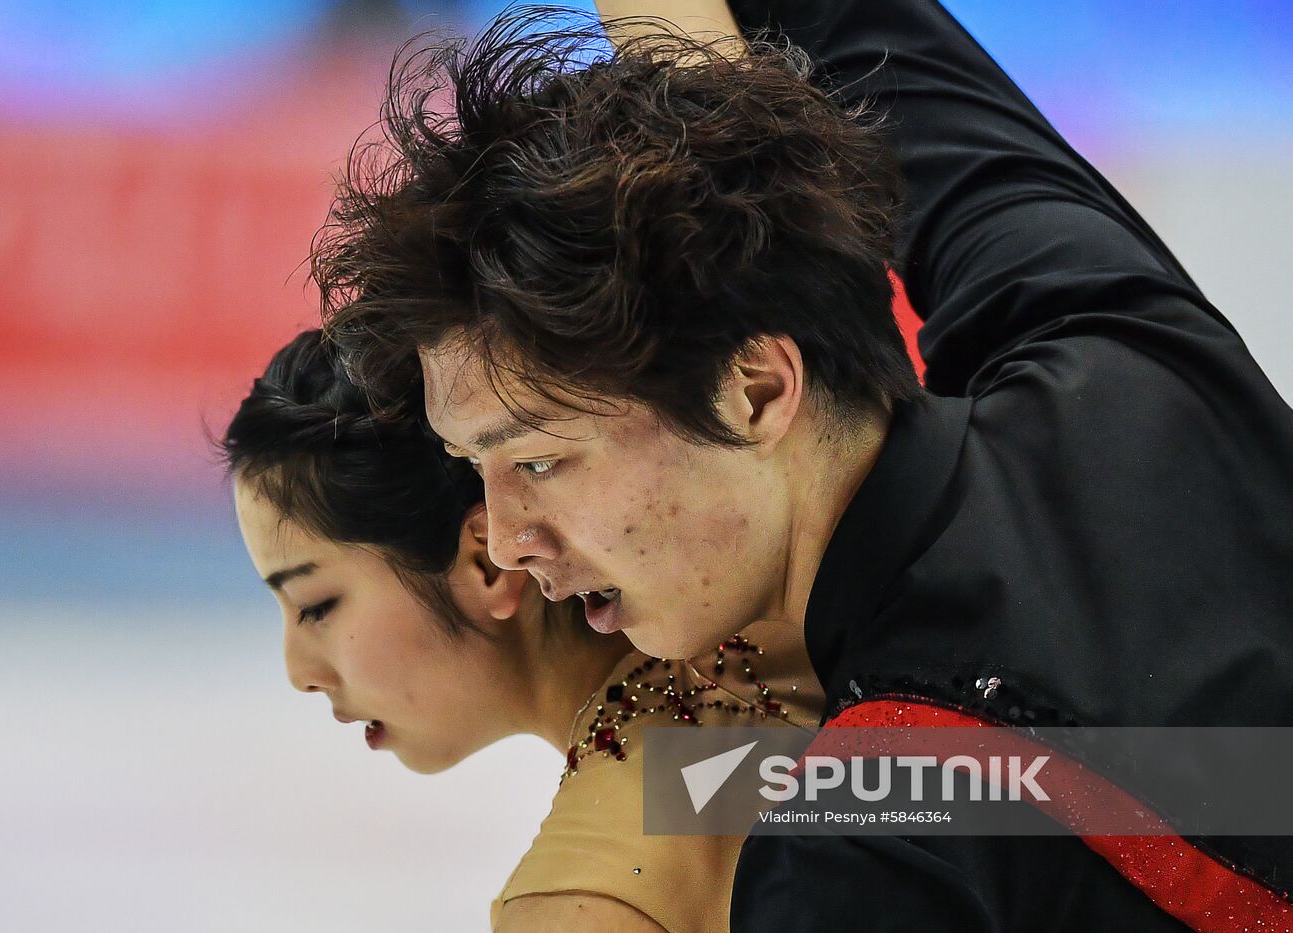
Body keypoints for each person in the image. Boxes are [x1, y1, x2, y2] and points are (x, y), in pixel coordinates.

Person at [315, 2, 1293, 928]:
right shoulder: (1112, 342)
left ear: (755, 392)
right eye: (473, 464)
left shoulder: (864, 851)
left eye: (537, 459)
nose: (510, 541)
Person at [224, 328, 825, 932]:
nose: (299, 672)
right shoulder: (813, 653)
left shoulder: (586, 900)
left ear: (487, 560)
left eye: (316, 605)